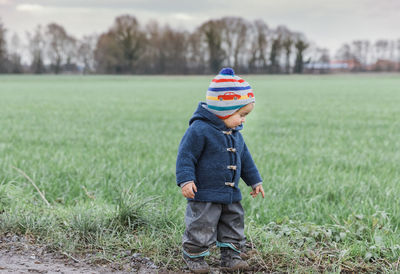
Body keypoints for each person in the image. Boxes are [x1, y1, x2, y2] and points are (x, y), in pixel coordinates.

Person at [176, 68, 265, 273]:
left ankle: (231, 257)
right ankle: (195, 256)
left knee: (233, 224)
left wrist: (255, 181)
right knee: (201, 225)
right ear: (224, 109)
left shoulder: (235, 134)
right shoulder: (199, 130)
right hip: (204, 193)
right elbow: (186, 156)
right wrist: (186, 180)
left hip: (231, 194)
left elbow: (245, 159)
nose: (243, 120)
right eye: (241, 114)